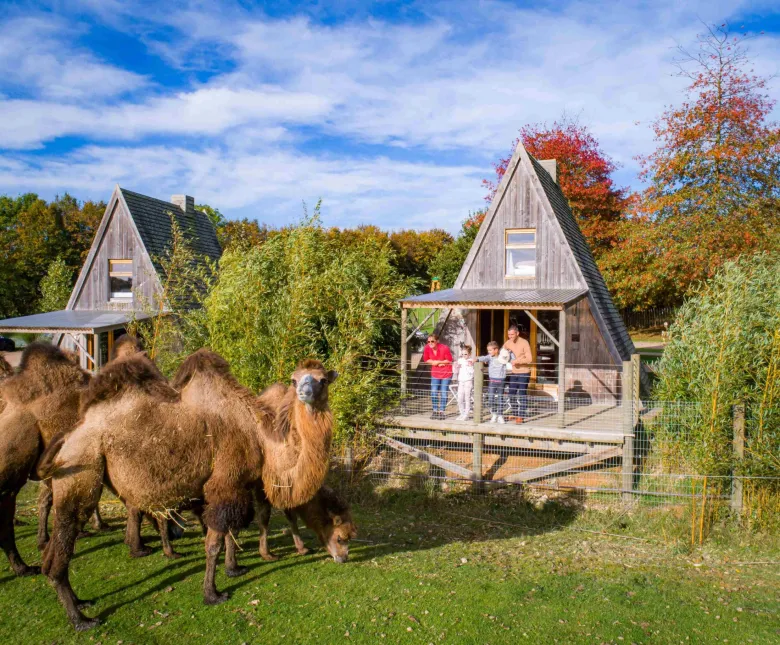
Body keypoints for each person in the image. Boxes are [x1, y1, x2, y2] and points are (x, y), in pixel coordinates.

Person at [477, 342, 514, 424]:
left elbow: (511, 358)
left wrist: (510, 352)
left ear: (496, 350)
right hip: (492, 381)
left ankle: (500, 416)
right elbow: (484, 358)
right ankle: (494, 414)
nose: (489, 352)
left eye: (490, 350)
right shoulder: (490, 357)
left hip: (501, 381)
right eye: (488, 350)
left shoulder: (503, 357)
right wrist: (477, 359)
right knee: (490, 399)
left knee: (500, 399)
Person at [503, 325, 532, 424]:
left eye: (512, 334)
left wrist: (517, 361)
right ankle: (514, 413)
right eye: (508, 334)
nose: (510, 336)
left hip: (524, 372)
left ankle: (521, 416)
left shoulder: (524, 342)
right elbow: (502, 353)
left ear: (517, 333)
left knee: (522, 394)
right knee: (511, 394)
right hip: (514, 372)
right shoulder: (508, 342)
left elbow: (529, 359)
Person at [422, 333, 453, 419]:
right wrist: (434, 363)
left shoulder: (444, 348)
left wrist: (438, 362)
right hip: (435, 373)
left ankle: (442, 411)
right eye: (428, 341)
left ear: (437, 341)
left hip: (446, 373)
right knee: (434, 392)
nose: (430, 343)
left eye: (432, 341)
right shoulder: (427, 348)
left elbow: (449, 360)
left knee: (443, 392)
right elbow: (426, 359)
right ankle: (435, 410)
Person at [454, 345, 474, 421]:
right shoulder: (460, 360)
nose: (464, 356)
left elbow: (472, 372)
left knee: (467, 398)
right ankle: (462, 413)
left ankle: (466, 414)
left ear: (469, 354)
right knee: (459, 398)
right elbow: (455, 371)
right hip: (461, 381)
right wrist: (456, 366)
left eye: (465, 354)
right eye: (462, 354)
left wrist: (469, 366)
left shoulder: (471, 360)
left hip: (468, 381)